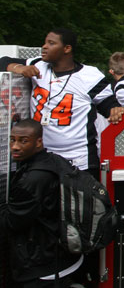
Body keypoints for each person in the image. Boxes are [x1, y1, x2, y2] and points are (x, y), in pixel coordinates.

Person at [0, 29, 124, 173]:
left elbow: (109, 106)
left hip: (79, 160)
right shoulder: (38, 65)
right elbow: (4, 61)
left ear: (67, 48)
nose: (44, 47)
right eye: (45, 42)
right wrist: (19, 68)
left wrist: (115, 110)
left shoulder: (89, 76)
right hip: (42, 158)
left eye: (51, 43)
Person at [0, 120, 84, 286]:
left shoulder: (33, 179)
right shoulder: (52, 160)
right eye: (12, 140)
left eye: (24, 141)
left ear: (39, 142)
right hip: (62, 255)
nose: (15, 146)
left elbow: (12, 222)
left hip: (44, 265)